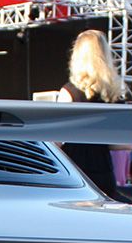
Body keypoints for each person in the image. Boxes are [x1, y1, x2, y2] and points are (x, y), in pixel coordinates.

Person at [52, 30, 127, 198]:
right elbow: (125, 144)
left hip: (74, 171)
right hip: (103, 172)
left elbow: (55, 140)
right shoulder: (115, 95)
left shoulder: (70, 92)